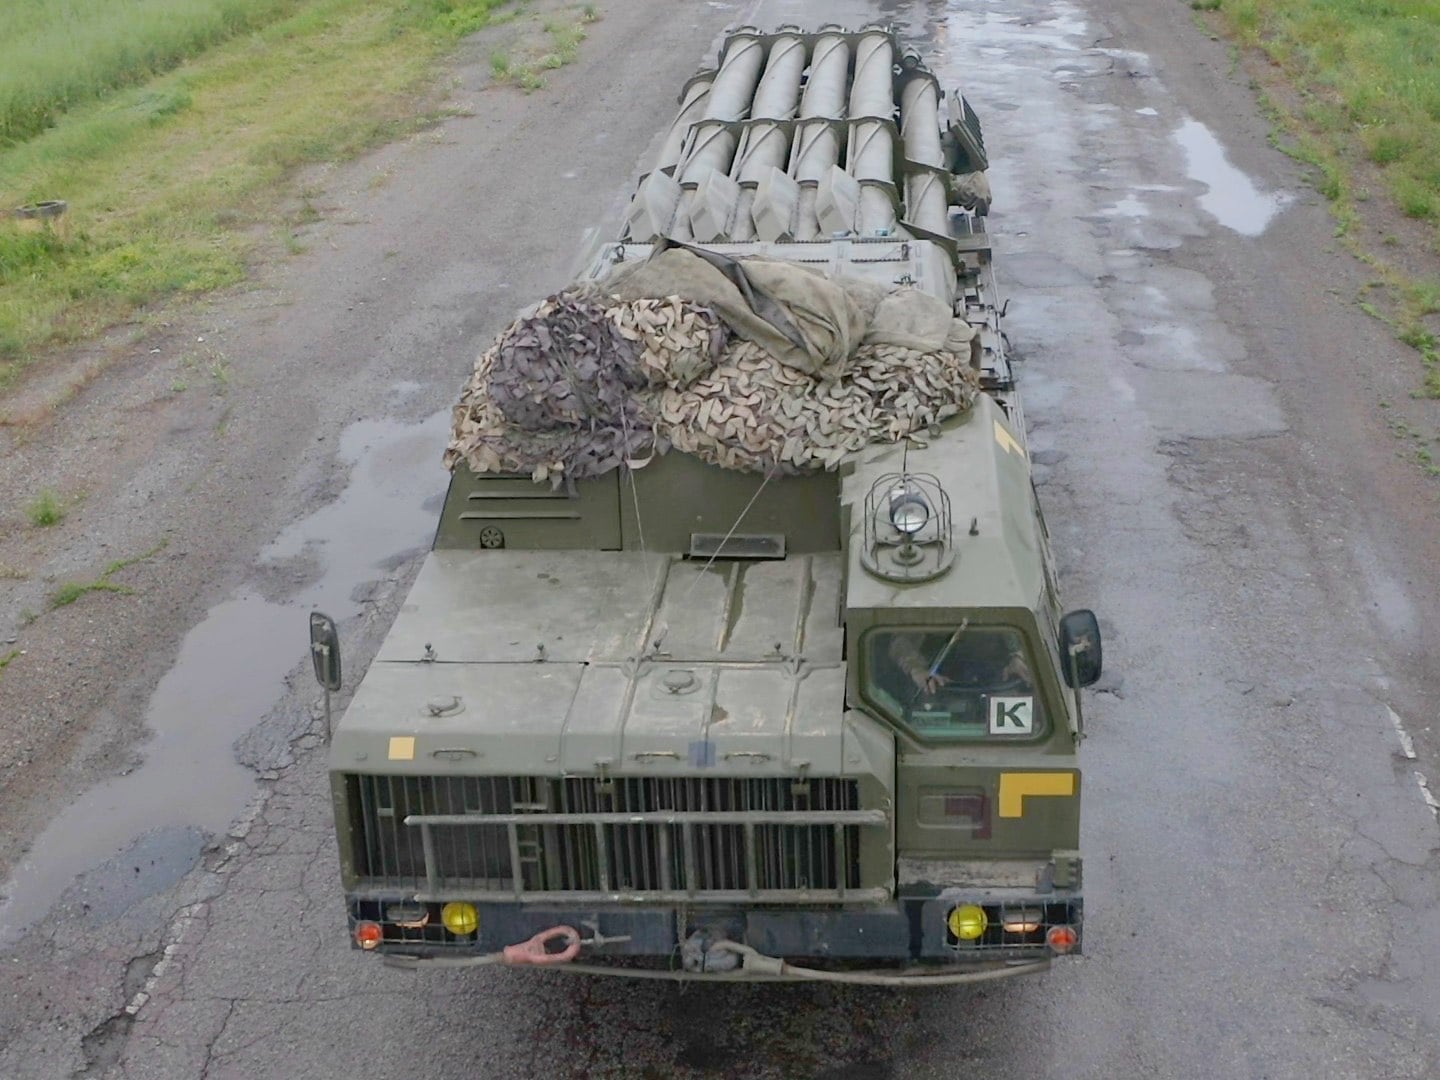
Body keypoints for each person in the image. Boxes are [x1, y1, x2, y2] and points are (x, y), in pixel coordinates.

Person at [886, 628, 1031, 700]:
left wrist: (1017, 656)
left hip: (994, 678)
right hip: (939, 681)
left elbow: (1017, 625)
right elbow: (901, 642)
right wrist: (916, 669)